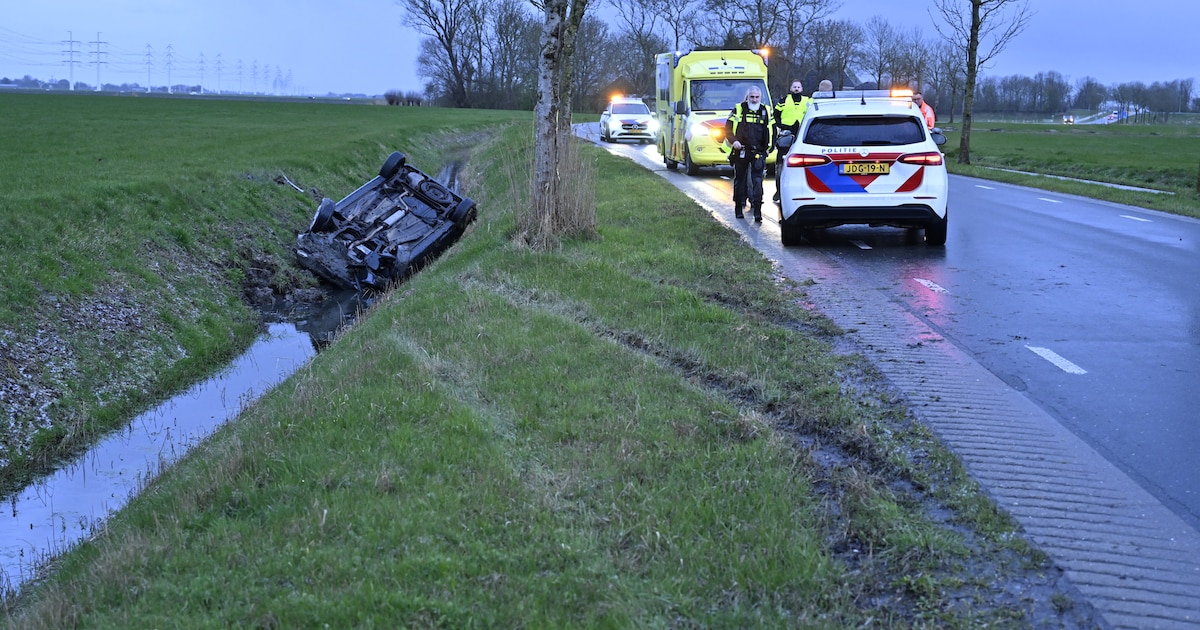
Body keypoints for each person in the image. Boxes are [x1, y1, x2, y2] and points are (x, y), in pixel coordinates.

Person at [725, 87, 773, 222]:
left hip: (758, 151)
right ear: (748, 97)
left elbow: (772, 130)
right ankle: (738, 208)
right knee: (740, 180)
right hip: (741, 150)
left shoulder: (766, 111)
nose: (754, 99)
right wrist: (734, 142)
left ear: (760, 97)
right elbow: (727, 128)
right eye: (752, 97)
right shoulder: (739, 109)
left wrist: (769, 148)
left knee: (757, 182)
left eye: (757, 97)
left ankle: (757, 210)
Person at [771, 80, 810, 203]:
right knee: (781, 165)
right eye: (794, 87)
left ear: (802, 88)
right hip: (786, 135)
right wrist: (781, 125)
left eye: (798, 87)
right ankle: (779, 192)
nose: (796, 89)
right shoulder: (783, 101)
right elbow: (775, 115)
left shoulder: (808, 101)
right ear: (791, 88)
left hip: (802, 135)